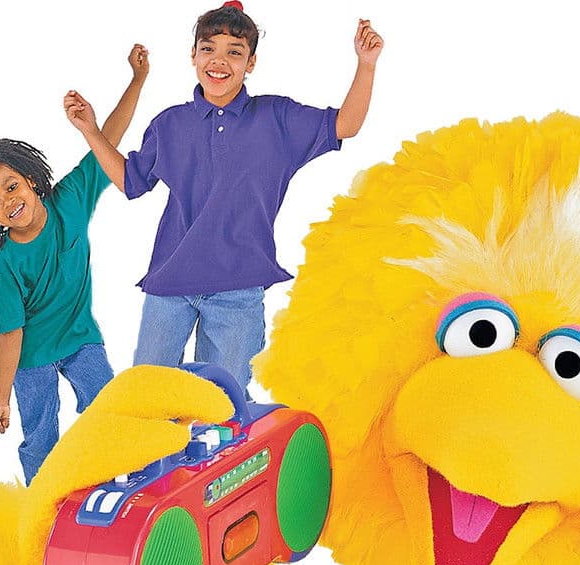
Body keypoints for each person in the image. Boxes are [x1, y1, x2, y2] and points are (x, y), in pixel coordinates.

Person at [66, 2, 383, 393]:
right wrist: (91, 131)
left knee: (224, 404)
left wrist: (366, 64)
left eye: (234, 51)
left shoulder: (277, 118)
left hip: (239, 289)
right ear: (193, 56)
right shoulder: (169, 123)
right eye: (208, 49)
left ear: (251, 63)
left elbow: (345, 125)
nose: (219, 61)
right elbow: (131, 181)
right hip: (171, 285)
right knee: (146, 396)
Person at [0, 45, 150, 484]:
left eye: (11, 187)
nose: (8, 202)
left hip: (80, 340)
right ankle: (43, 506)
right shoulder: (6, 264)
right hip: (32, 357)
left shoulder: (71, 200)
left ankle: (131, 482)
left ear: (31, 180)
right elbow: (10, 335)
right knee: (41, 438)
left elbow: (109, 143)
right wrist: (0, 399)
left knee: (109, 409)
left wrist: (135, 82)